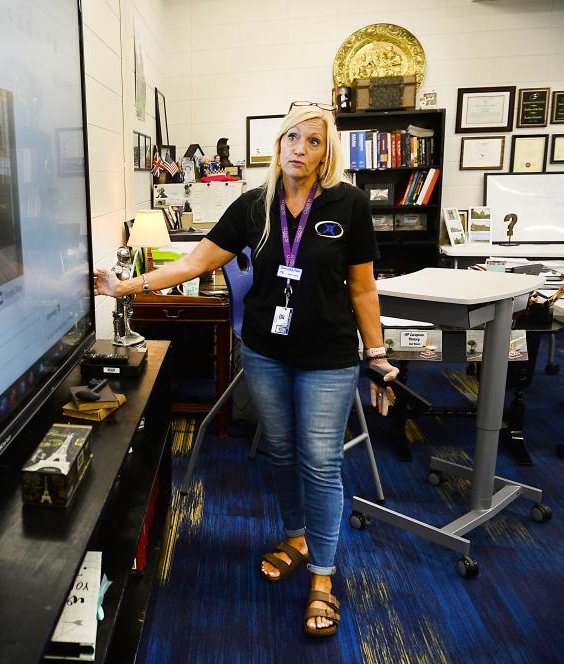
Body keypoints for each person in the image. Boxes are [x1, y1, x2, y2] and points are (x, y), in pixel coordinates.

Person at [93, 102, 400, 637]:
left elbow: (362, 287)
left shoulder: (348, 205)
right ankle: (298, 535)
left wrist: (376, 357)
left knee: (321, 461)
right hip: (265, 352)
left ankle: (323, 577)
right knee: (280, 449)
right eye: (291, 139)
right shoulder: (254, 206)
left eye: (313, 141)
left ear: (327, 152)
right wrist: (125, 287)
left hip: (328, 357)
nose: (299, 150)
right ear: (277, 146)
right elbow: (194, 262)